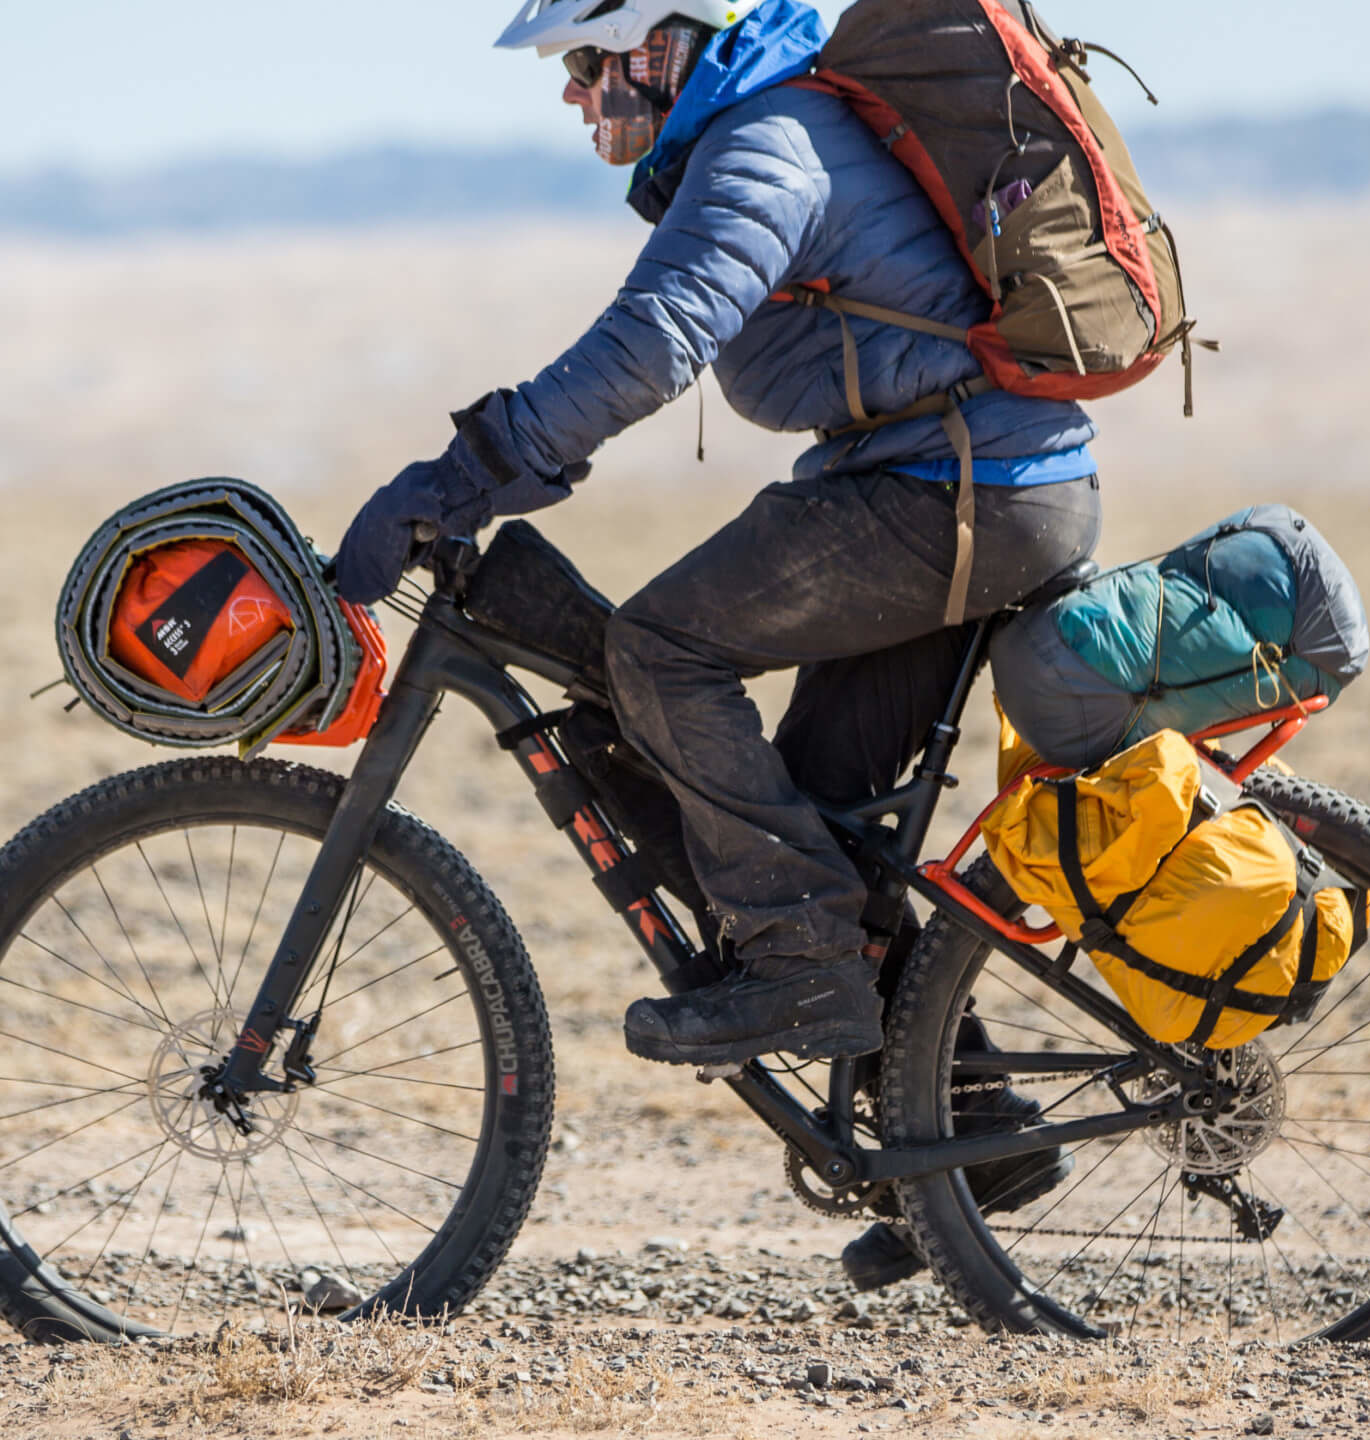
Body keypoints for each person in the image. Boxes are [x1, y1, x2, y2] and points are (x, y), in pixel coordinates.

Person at [333, 0, 1093, 1287]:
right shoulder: (766, 128)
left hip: (951, 490)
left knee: (660, 651)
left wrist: (475, 469)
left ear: (663, 38)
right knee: (812, 821)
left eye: (585, 62)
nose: (574, 93)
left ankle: (802, 973)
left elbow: (654, 341)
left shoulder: (769, 143)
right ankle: (971, 1133)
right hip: (968, 485)